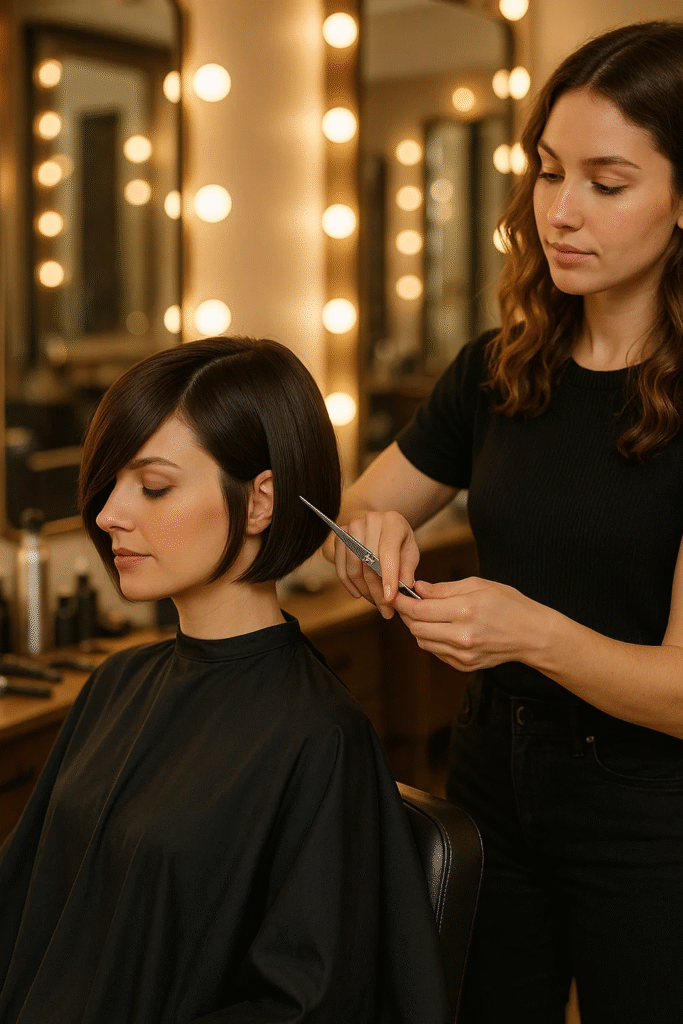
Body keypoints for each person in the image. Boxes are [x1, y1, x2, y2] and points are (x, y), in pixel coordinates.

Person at [326, 21, 683, 1024]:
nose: (559, 213)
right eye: (545, 172)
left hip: (652, 811)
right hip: (487, 780)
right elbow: (360, 504)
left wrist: (525, 630)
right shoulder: (498, 366)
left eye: (605, 183)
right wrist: (371, 543)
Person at [0, 337, 450, 1024]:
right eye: (112, 481)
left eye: (153, 485)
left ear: (262, 501)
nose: (110, 512)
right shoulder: (116, 683)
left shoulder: (316, 737)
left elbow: (308, 1002)